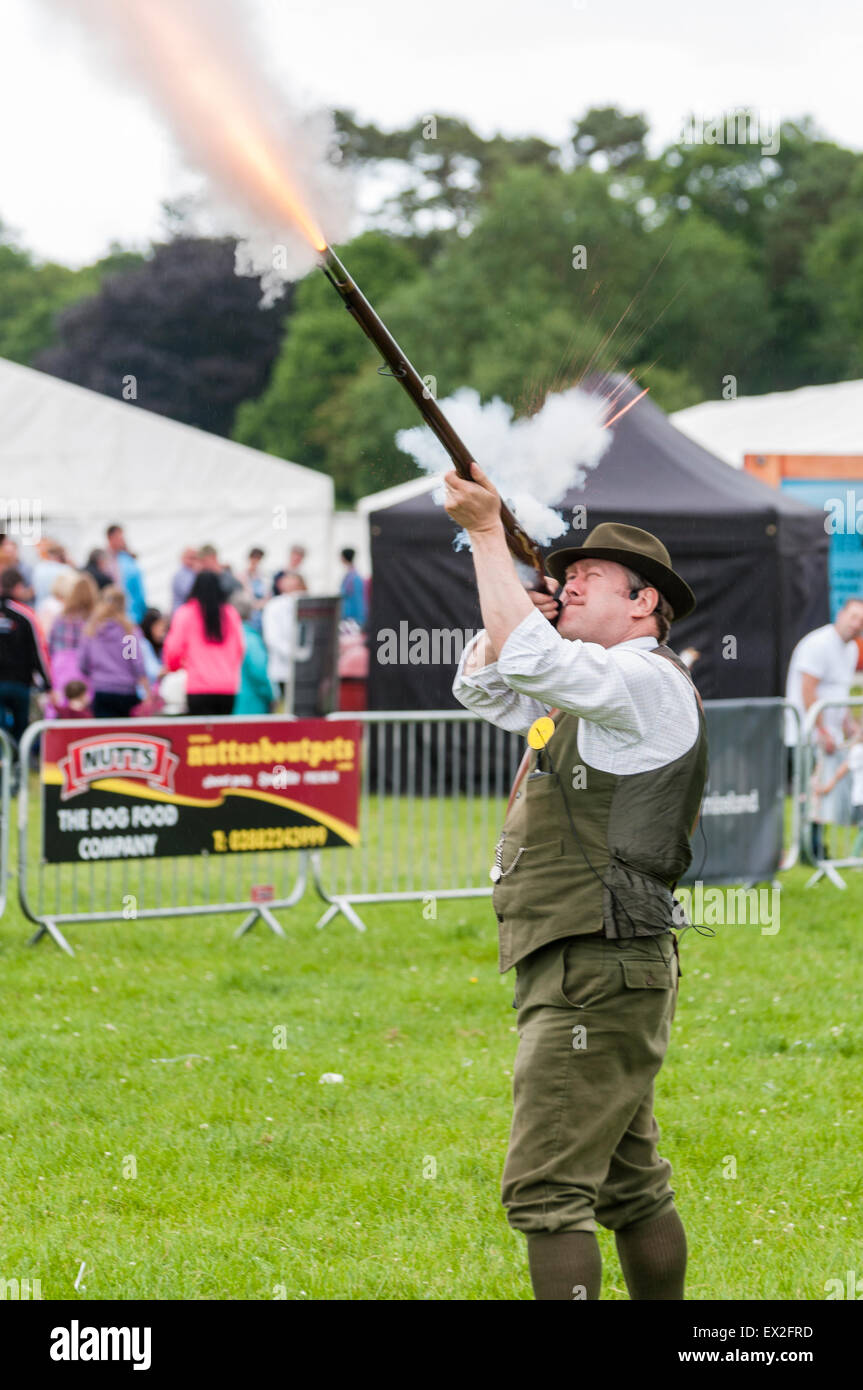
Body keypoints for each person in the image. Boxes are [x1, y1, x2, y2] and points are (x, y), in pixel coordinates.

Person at [445, 462, 707, 1303]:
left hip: (596, 962)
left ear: (644, 604)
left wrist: (488, 534)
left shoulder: (640, 680)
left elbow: (530, 659)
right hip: (591, 962)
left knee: (547, 1190)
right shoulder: (594, 687)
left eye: (588, 577)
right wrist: (527, 605)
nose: (567, 581)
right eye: (563, 576)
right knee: (629, 1185)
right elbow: (483, 682)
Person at [784, 598, 863, 862]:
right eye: (853, 617)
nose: (856, 625)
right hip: (807, 735)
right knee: (810, 794)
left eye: (861, 621)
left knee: (823, 795)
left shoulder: (852, 649)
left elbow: (838, 692)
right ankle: (809, 850)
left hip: (832, 738)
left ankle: (817, 849)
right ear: (841, 614)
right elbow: (808, 690)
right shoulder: (818, 644)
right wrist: (821, 732)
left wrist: (850, 726)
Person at [162, 571, 244, 716]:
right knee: (221, 737)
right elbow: (240, 649)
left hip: (198, 687)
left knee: (200, 736)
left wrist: (175, 667)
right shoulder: (231, 613)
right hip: (227, 687)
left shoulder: (186, 613)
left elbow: (173, 649)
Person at [0, 566, 52, 753]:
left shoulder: (25, 614)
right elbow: (39, 651)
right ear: (17, 587)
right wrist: (48, 684)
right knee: (20, 731)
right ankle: (16, 767)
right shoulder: (26, 614)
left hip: (15, 682)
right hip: (20, 684)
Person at [79, 585, 149, 718]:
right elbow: (136, 662)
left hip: (101, 688)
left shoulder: (92, 631)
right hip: (126, 690)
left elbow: (83, 663)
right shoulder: (129, 631)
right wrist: (146, 690)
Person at [47, 572, 98, 714]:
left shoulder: (61, 616)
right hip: (83, 665)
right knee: (83, 704)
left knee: (62, 703)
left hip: (60, 664)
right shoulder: (93, 619)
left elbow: (50, 643)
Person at [813, 724, 863, 859]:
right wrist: (828, 786)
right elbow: (843, 769)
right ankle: (853, 857)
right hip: (860, 797)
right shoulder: (858, 751)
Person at [262, 572, 306, 707]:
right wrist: (295, 654)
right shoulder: (275, 606)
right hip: (283, 670)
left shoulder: (305, 602)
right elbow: (272, 638)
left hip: (300, 670)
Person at [231, 592, 275, 715]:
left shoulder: (224, 638)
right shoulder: (250, 639)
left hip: (230, 704)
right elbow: (259, 671)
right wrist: (271, 696)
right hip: (251, 705)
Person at [105, 524, 148, 624]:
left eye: (122, 537)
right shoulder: (103, 560)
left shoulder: (128, 561)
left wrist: (141, 611)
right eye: (118, 537)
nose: (122, 540)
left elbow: (139, 590)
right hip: (110, 614)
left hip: (130, 614)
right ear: (110, 538)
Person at [240, 547, 267, 632]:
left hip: (260, 613)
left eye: (258, 559)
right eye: (254, 558)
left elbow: (267, 594)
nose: (256, 561)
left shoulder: (263, 577)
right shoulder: (241, 576)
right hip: (248, 613)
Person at [339, 548, 367, 627]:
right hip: (349, 617)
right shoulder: (351, 575)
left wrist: (360, 619)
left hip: (352, 619)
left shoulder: (353, 577)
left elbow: (358, 600)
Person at [171, 547, 200, 612]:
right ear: (183, 558)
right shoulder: (181, 575)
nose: (194, 561)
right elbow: (189, 593)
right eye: (191, 558)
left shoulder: (192, 572)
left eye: (195, 558)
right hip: (181, 612)